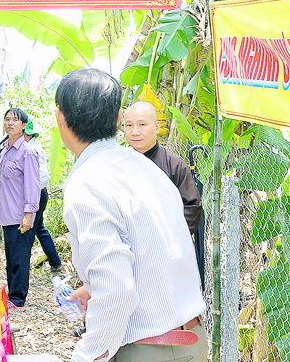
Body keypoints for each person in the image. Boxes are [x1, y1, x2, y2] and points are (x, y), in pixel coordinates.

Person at [56, 69, 206, 362]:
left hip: (148, 350)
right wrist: (94, 287)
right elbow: (158, 251)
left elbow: (116, 290)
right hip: (189, 341)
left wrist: (88, 355)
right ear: (117, 119)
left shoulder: (87, 182)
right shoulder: (146, 168)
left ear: (60, 117)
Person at [0, 108, 43, 310]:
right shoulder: (5, 150)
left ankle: (18, 299)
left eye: (15, 120)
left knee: (20, 256)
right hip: (7, 213)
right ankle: (12, 295)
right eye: (7, 119)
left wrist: (29, 215)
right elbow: (2, 185)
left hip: (20, 215)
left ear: (24, 126)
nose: (10, 123)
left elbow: (32, 186)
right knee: (11, 256)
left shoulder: (28, 152)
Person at [123, 101, 202, 234]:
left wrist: (171, 237)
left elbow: (192, 206)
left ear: (157, 127)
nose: (135, 132)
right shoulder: (117, 164)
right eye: (129, 125)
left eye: (142, 125)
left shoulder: (174, 165)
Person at [23, 118, 63, 273]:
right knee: (39, 228)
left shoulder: (32, 150)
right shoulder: (31, 147)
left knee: (29, 230)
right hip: (39, 193)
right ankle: (55, 262)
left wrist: (31, 196)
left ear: (27, 134)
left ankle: (23, 265)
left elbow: (42, 176)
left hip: (37, 194)